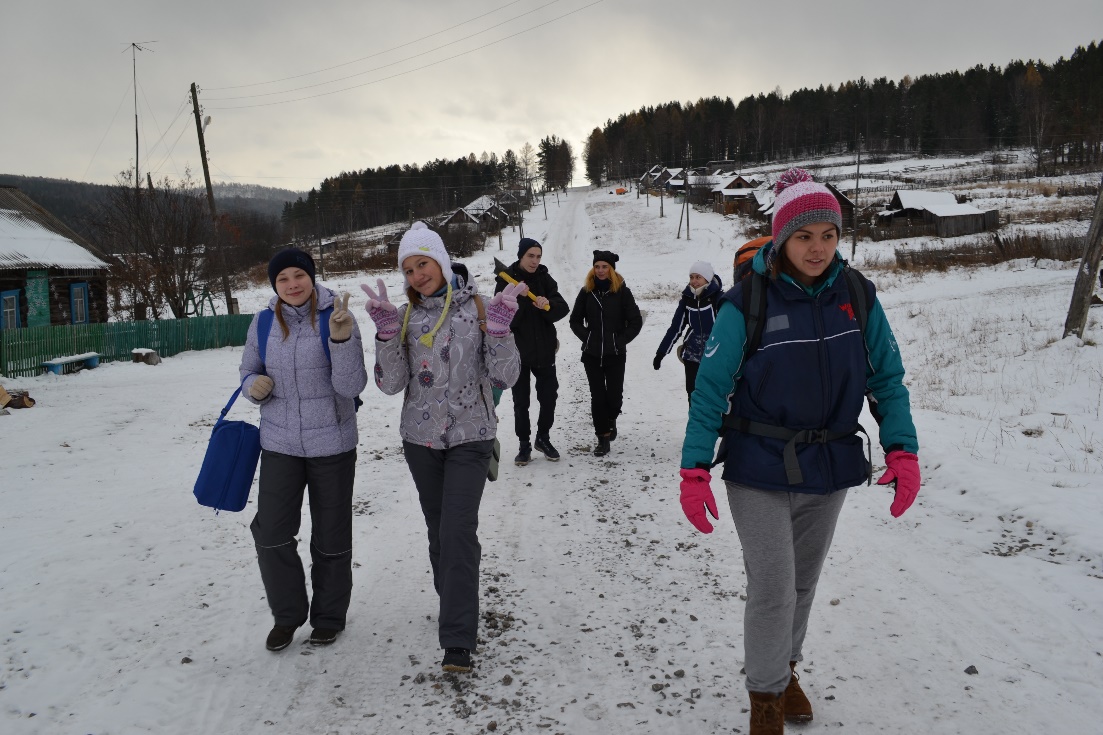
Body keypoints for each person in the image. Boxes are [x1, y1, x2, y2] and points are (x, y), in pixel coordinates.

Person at [678, 169, 921, 734]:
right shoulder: (746, 304)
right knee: (773, 586)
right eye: (804, 235)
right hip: (757, 469)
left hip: (828, 467)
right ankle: (765, 699)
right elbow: (710, 390)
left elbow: (887, 378)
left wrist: (902, 450)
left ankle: (784, 671)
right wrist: (694, 469)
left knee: (802, 585)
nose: (817, 248)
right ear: (781, 238)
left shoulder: (857, 296)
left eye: (828, 235)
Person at [362, 222, 524, 673]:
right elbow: (391, 384)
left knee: (456, 531)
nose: (417, 275)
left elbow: (506, 377)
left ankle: (457, 638)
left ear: (441, 259)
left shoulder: (481, 307)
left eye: (423, 263)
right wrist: (386, 337)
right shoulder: (404, 316)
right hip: (420, 440)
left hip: (472, 437)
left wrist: (500, 333)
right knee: (438, 533)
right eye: (408, 269)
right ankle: (454, 597)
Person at [239, 248, 368, 652]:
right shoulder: (262, 322)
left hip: (332, 443)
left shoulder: (338, 315)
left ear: (312, 277)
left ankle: (328, 616)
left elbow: (351, 387)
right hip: (279, 443)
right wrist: (251, 387)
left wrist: (342, 340)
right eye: (282, 279)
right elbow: (249, 370)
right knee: (272, 534)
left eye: (299, 275)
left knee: (330, 537)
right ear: (273, 285)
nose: (292, 284)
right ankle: (287, 616)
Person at [494, 237, 570, 465]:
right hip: (518, 353)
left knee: (549, 398)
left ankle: (543, 438)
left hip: (545, 350)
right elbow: (499, 317)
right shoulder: (505, 280)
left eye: (538, 256)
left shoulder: (544, 279)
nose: (535, 261)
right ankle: (524, 444)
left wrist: (547, 304)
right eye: (531, 256)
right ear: (521, 255)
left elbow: (562, 308)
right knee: (521, 402)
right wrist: (522, 302)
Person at [569, 249, 643, 457]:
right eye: (597, 266)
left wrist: (618, 340)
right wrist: (588, 337)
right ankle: (602, 438)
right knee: (597, 397)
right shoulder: (586, 292)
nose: (600, 270)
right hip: (591, 355)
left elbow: (635, 321)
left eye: (604, 267)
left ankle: (611, 420)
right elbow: (574, 320)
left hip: (615, 354)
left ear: (611, 269)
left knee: (614, 398)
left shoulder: (622, 293)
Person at [654, 260, 723, 400]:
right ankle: (695, 421)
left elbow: (729, 329)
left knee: (713, 396)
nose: (694, 281)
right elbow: (675, 328)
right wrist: (661, 353)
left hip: (715, 354)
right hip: (692, 354)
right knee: (693, 394)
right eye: (691, 277)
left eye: (698, 277)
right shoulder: (687, 299)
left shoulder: (719, 299)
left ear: (707, 278)